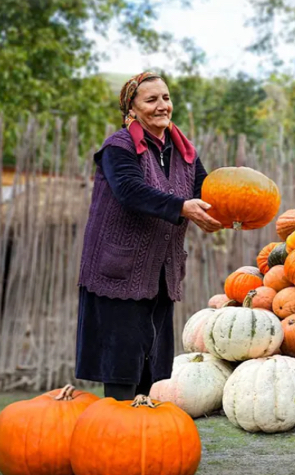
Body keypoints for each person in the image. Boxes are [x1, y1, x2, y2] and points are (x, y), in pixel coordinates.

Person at [76, 72, 223, 401]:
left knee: (151, 360)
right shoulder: (119, 146)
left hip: (160, 270)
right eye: (151, 99)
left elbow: (206, 191)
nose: (162, 106)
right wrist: (182, 207)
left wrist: (232, 213)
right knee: (121, 360)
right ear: (132, 108)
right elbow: (130, 191)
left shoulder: (183, 152)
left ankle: (143, 433)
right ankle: (115, 434)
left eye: (166, 98)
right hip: (119, 270)